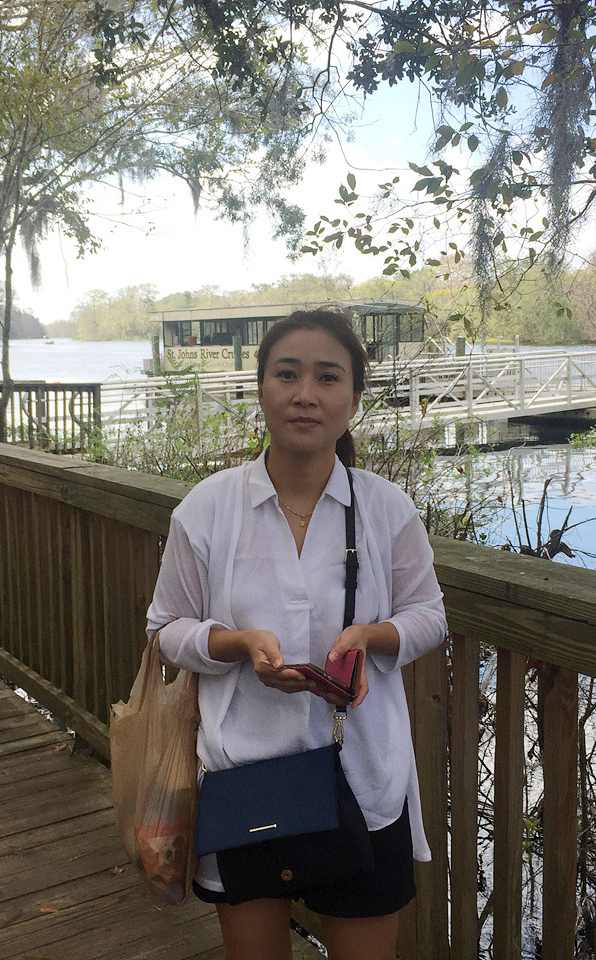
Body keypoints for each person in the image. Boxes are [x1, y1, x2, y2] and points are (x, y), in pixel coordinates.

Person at [146, 310, 448, 960]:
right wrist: (236, 645)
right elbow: (166, 630)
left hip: (363, 780)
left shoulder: (386, 508)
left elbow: (430, 616)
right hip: (245, 779)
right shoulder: (208, 508)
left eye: (327, 377)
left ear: (354, 400)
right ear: (261, 389)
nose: (305, 394)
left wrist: (371, 636)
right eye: (287, 374)